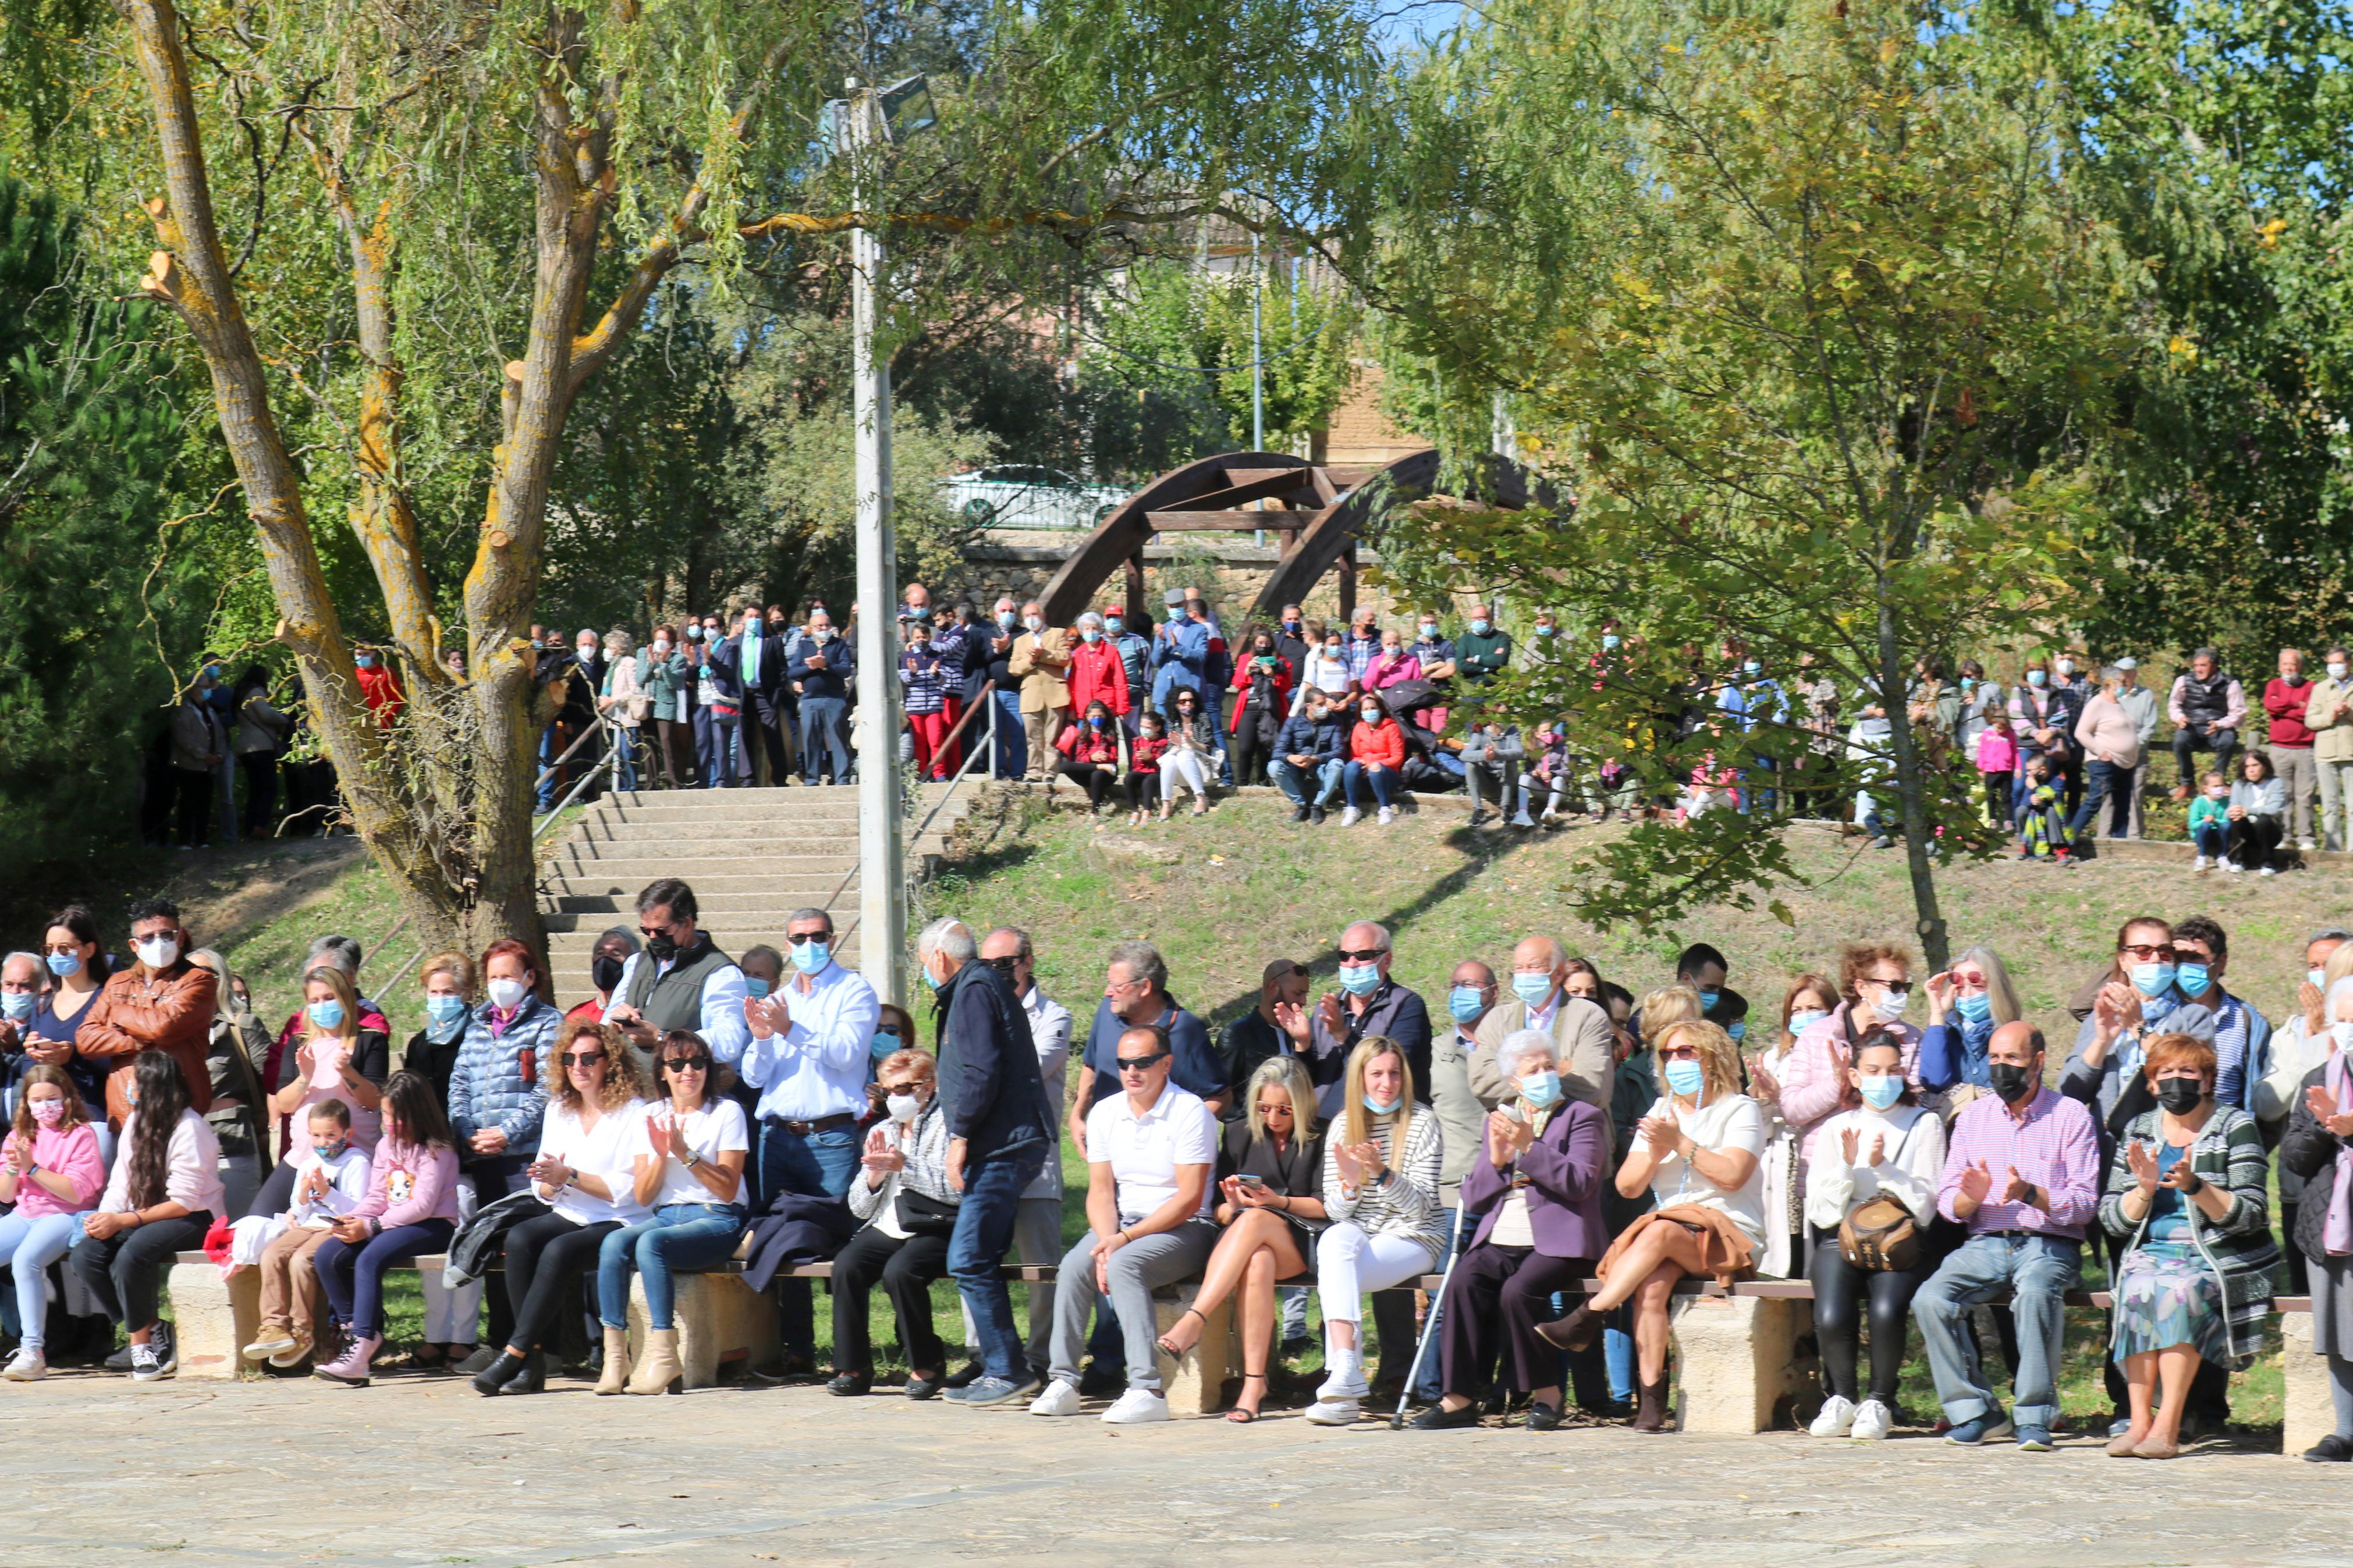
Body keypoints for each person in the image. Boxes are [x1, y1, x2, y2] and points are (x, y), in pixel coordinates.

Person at [1540, 1018, 1762, 1432]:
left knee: (1656, 1231)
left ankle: (1589, 1314)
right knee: (1652, 1284)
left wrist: (1681, 1145)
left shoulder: (1739, 1108)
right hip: (1672, 1234)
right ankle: (1652, 1402)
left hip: (1730, 1233)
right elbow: (1626, 1186)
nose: (1675, 1060)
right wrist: (1653, 1150)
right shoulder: (1661, 1111)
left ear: (1711, 1056)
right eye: (1667, 1053)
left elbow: (1733, 1175)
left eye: (1685, 1052)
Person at [1912, 1021, 2102, 1449]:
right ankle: (1976, 1410)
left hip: (2048, 1242)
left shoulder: (2070, 1115)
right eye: (1995, 1059)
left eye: (2012, 1059)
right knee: (1930, 1298)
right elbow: (1948, 1203)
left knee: (2034, 1292)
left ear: (2037, 1062)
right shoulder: (1973, 1117)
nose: (2002, 1068)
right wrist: (1969, 1197)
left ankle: (2034, 1415)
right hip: (1986, 1240)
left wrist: (2031, 1194)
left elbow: (2084, 1204)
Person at [1024, 1022, 1218, 1425]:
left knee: (1124, 1264)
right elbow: (1099, 1191)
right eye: (1124, 1063)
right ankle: (1063, 1380)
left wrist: (1122, 1241)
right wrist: (1107, 1239)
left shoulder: (1189, 1111)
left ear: (1166, 1063)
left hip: (1184, 1228)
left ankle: (1146, 1388)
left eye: (1143, 1062)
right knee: (1075, 1265)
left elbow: (1187, 1198)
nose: (1132, 1071)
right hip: (1123, 1224)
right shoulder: (1105, 1112)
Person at [1414, 1031, 1609, 1431]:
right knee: (1463, 1281)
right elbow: (1474, 1196)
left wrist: (1530, 1148)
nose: (1543, 1074)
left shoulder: (1582, 1116)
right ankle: (1459, 1397)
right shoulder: (1499, 1118)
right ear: (1515, 1082)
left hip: (1561, 1239)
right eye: (1532, 1069)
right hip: (1502, 1234)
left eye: (1548, 1066)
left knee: (1518, 1292)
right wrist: (1498, 1163)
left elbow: (1580, 1182)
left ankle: (1547, 1394)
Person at [2096, 1033, 2278, 1459]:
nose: (2175, 1080)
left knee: (2180, 1291)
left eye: (2187, 1072)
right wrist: (2141, 1191)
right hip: (2153, 1250)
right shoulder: (2139, 1130)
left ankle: (2168, 1425)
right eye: (2165, 1073)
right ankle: (2138, 1421)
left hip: (2219, 1253)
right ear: (2152, 1083)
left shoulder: (2235, 1126)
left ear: (2207, 1080)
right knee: (2138, 1287)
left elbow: (2251, 1214)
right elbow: (2111, 1217)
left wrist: (2196, 1186)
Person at [920, 919, 1056, 1409]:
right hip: (1004, 1143)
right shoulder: (980, 986)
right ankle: (1006, 1364)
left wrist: (959, 1138)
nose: (926, 976)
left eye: (924, 966)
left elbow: (981, 1070)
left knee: (968, 1257)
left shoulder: (973, 990)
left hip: (1001, 1146)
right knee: (981, 1255)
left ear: (938, 958)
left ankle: (1006, 1368)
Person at [472, 1023, 650, 1395]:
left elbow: (630, 1189)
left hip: (619, 1218)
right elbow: (542, 1181)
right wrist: (552, 1182)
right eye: (570, 1059)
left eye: (588, 1058)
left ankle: (515, 1352)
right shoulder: (559, 1108)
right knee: (520, 1238)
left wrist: (570, 1176)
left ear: (610, 1063)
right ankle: (534, 1358)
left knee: (558, 1250)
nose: (578, 1066)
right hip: (571, 1212)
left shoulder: (634, 1112)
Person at [1150, 1057, 1328, 1423]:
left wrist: (1276, 1202)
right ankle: (1254, 1382)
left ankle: (1195, 1318)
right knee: (1258, 1258)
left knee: (1259, 1218)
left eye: (1284, 1109)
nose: (1273, 1118)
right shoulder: (1238, 1133)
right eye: (1264, 1108)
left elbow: (1326, 1205)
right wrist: (1231, 1206)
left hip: (1301, 1239)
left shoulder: (1321, 1135)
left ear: (1302, 1103)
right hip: (1246, 1243)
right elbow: (1216, 1211)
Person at [1802, 1030, 1947, 1441]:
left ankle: (1879, 1400)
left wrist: (1884, 1167)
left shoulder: (1925, 1123)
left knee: (1885, 1310)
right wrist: (1848, 1168)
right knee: (1830, 1315)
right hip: (1844, 1235)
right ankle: (1842, 1397)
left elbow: (1925, 1205)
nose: (1883, 1078)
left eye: (1892, 1069)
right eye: (1872, 1070)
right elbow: (1822, 1211)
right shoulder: (1837, 1128)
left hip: (1900, 1238)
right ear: (1854, 1075)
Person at [595, 1030, 751, 1395]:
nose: (688, 1072)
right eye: (677, 1064)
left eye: (697, 1063)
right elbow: (644, 1194)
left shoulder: (726, 1112)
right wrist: (663, 1154)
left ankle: (665, 1355)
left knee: (651, 1243)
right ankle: (616, 1358)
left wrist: (685, 1153)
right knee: (614, 1243)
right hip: (666, 1215)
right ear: (662, 1072)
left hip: (717, 1217)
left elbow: (728, 1188)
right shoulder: (650, 1115)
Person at [1301, 1036, 1446, 1427]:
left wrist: (1381, 1174)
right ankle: (1346, 1374)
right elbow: (1334, 1210)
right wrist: (1350, 1184)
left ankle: (1342, 1380)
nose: (1387, 1082)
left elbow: (1421, 1207)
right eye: (1377, 1073)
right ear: (1359, 1078)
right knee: (1332, 1241)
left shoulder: (1422, 1121)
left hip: (1414, 1236)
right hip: (1360, 1235)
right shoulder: (1344, 1125)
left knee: (1337, 1270)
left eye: (1394, 1073)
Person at [446, 937, 562, 1371]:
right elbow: (459, 1083)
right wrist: (467, 1131)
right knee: (489, 1246)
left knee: (526, 1249)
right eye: (493, 977)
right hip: (483, 1156)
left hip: (525, 1157)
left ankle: (540, 1347)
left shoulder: (548, 1023)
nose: (501, 985)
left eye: (509, 975)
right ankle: (498, 1342)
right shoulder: (476, 1026)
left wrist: (507, 1132)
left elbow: (548, 1088)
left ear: (529, 977)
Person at [70, 1051, 222, 1380]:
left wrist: (123, 1221)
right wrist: (105, 1219)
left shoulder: (190, 1128)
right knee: (86, 1254)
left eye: (135, 1084)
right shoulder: (136, 1124)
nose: (130, 1089)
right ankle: (152, 1327)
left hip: (194, 1217)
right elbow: (121, 1183)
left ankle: (142, 1347)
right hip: (142, 1215)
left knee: (131, 1255)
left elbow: (184, 1202)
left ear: (155, 1089)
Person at [309, 1071, 464, 1385]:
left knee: (369, 1258)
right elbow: (377, 1196)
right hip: (390, 1223)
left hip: (433, 1225)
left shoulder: (437, 1149)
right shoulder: (385, 1146)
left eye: (396, 1116)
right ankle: (356, 1333)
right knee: (328, 1254)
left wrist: (371, 1227)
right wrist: (353, 1219)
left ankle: (363, 1344)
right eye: (385, 1114)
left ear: (416, 1112)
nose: (389, 1123)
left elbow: (422, 1205)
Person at [829, 1047, 956, 1398]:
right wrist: (873, 1176)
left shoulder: (951, 1124)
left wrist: (905, 1166)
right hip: (889, 1225)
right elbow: (858, 1205)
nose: (893, 1098)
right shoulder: (883, 1128)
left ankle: (927, 1364)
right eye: (887, 1091)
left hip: (935, 1224)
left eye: (902, 1089)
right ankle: (853, 1366)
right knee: (847, 1266)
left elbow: (957, 1188)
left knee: (900, 1271)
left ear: (928, 1087)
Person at [239, 1099, 374, 1371]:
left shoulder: (356, 1161)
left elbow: (358, 1208)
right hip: (308, 1224)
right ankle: (274, 1326)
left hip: (336, 1226)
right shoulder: (308, 1163)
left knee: (301, 1260)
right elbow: (299, 1211)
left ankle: (304, 1331)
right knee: (273, 1254)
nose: (323, 1142)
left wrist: (326, 1192)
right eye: (316, 1136)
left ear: (346, 1134)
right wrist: (302, 1196)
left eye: (331, 1135)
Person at [1777, 943, 1920, 1190]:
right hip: (1827, 1176)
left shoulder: (1912, 1040)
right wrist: (1837, 1083)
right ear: (1862, 986)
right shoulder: (1815, 1036)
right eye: (1894, 987)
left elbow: (1916, 1105)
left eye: (1906, 987)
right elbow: (1792, 1111)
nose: (1901, 995)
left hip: (1890, 1174)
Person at [2280, 983, 2353, 1461]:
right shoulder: (2318, 1077)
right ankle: (2346, 1429)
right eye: (2345, 1019)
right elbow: (2293, 1159)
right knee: (2337, 1330)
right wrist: (2326, 1125)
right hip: (2330, 1222)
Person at [252, 963, 387, 1218]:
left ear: (345, 998)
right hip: (304, 1156)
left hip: (353, 1157)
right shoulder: (299, 1044)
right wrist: (306, 1076)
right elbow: (285, 1104)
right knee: (259, 1218)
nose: (322, 1005)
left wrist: (347, 1072)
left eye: (329, 998)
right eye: (314, 1000)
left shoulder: (370, 1039)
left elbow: (373, 1100)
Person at [0, 1065, 106, 1380]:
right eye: (37, 1100)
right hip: (25, 1213)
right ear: (26, 1103)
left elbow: (75, 1193)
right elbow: (6, 1196)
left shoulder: (81, 1135)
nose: (45, 1106)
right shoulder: (19, 1136)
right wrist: (12, 1169)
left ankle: (33, 1351)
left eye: (52, 1098)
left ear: (67, 1098)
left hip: (65, 1215)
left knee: (25, 1261)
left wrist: (32, 1169)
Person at [75, 897, 216, 1128]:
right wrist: (140, 1040)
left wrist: (119, 1013)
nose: (158, 943)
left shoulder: (199, 980)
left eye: (166, 935)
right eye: (148, 938)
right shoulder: (117, 983)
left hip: (180, 1110)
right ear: (134, 945)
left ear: (180, 937)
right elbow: (85, 1040)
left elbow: (162, 1027)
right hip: (125, 1116)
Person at [1070, 941, 1226, 1142]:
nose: (1107, 992)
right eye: (1109, 983)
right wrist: (1077, 1116)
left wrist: (1178, 1139)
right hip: (1107, 1151)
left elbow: (1220, 1097)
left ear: (1145, 987)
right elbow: (1091, 1067)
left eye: (1117, 986)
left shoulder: (1186, 1029)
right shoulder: (1107, 1012)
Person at [1278, 921, 1432, 1117]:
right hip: (1322, 1130)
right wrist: (1302, 1045)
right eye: (1345, 956)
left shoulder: (1407, 1006)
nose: (1352, 964)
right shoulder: (1326, 1009)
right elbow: (1303, 1082)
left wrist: (1343, 1035)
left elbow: (1396, 1071)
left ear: (1386, 961)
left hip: (1380, 1128)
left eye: (1363, 956)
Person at [1748, 976, 1837, 1281]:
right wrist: (1762, 1101)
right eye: (1797, 1010)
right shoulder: (1776, 1059)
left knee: (1821, 1255)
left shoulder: (1840, 1058)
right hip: (1781, 1170)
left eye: (1814, 1008)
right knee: (1787, 1255)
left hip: (1824, 1162)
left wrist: (1783, 1100)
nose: (1805, 1016)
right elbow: (1761, 1132)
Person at [1469, 936, 1617, 1113]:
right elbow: (1482, 1083)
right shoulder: (1497, 1020)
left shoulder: (1589, 1016)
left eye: (1533, 966)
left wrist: (1518, 1077)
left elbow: (1592, 1086)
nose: (1524, 974)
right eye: (1519, 968)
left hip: (1575, 1133)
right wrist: (1556, 1074)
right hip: (1510, 1134)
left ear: (1559, 973)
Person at [24, 906, 115, 1137]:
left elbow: (121, 1060)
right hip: (49, 1127)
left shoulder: (110, 998)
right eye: (49, 949)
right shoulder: (43, 1004)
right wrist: (33, 1054)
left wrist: (73, 1055)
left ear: (89, 949)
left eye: (64, 949)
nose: (55, 955)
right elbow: (29, 1074)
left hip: (95, 1121)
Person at [2167, 916, 2271, 1115]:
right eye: (2179, 958)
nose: (2184, 966)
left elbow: (2262, 1099)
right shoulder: (2159, 1012)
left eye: (2195, 957)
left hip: (2224, 1138)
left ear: (2221, 962)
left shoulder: (2247, 1023)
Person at [1918, 945, 2026, 1101]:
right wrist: (1937, 1016)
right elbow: (1934, 1082)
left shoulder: (2017, 1034)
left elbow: (2018, 1093)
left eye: (1978, 985)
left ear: (1997, 988)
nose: (1967, 994)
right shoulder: (1945, 1032)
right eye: (1959, 987)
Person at [2067, 667, 2145, 855]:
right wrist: (2101, 751)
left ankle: (2120, 847)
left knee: (2122, 806)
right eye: (2122, 681)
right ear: (2110, 682)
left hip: (2125, 765)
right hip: (2104, 762)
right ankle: (2066, 842)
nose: (2126, 685)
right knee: (2094, 801)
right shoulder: (2097, 703)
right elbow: (2081, 732)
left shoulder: (2120, 704)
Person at [719, 604, 793, 788]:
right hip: (743, 695)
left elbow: (782, 671)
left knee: (773, 735)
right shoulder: (734, 642)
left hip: (765, 695)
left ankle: (779, 778)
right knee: (744, 736)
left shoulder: (773, 641)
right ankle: (748, 779)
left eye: (757, 616)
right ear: (743, 620)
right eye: (750, 616)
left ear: (763, 620)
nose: (753, 619)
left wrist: (777, 694)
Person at [2168, 646, 2245, 800]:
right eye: (2196, 666)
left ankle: (2219, 782)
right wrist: (2179, 718)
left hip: (2219, 727)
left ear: (2215, 666)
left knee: (2228, 740)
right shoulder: (2184, 681)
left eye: (2203, 666)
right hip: (2193, 727)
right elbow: (2173, 704)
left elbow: (2239, 713)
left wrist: (2220, 724)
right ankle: (2187, 782)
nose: (2199, 669)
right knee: (2180, 741)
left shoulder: (2230, 683)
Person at [1009, 602, 1073, 783]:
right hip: (1031, 694)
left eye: (1034, 614)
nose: (1031, 619)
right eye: (1027, 616)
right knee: (1033, 737)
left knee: (1051, 737)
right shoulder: (1020, 641)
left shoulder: (1058, 633)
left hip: (1055, 692)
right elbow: (1013, 668)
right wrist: (1030, 661)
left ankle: (1051, 772)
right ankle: (1034, 772)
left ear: (1043, 616)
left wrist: (1043, 655)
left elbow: (1065, 657)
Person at [2263, 647, 2319, 851]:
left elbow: (2310, 712)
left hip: (2306, 748)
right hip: (2279, 748)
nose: (2288, 668)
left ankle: (2306, 837)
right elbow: (2270, 706)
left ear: (2300, 667)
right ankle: (2283, 836)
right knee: (2281, 795)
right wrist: (2295, 703)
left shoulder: (2311, 686)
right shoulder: (2273, 685)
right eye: (2285, 664)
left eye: (2292, 664)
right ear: (2279, 666)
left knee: (2305, 795)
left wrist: (2285, 708)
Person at [1270, 688, 1346, 823]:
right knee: (1273, 767)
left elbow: (1339, 751)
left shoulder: (1334, 722)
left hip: (1321, 771)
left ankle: (1318, 805)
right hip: (1298, 771)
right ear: (1308, 706)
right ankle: (1302, 806)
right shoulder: (1293, 722)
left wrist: (1315, 759)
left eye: (1325, 704)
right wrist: (1291, 757)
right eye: (1320, 705)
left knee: (1337, 765)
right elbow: (1278, 751)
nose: (1325, 708)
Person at [233, 670, 292, 839]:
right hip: (261, 747)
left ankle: (250, 828)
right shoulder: (255, 692)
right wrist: (284, 719)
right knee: (269, 787)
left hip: (245, 748)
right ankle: (261, 826)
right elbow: (266, 714)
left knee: (255, 790)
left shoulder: (239, 695)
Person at [1228, 627, 1290, 786]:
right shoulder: (1244, 659)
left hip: (1270, 708)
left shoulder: (1281, 661)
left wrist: (1272, 675)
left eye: (1267, 643)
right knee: (1245, 747)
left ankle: (1264, 782)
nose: (1263, 646)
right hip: (1249, 706)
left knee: (1267, 747)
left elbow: (1287, 686)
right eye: (1260, 643)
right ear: (1254, 645)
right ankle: (1242, 783)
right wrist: (1247, 671)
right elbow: (1237, 683)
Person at [899, 618, 959, 781]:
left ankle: (939, 773)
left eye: (924, 637)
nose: (921, 641)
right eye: (918, 637)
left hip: (933, 706)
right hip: (915, 707)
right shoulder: (908, 656)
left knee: (935, 740)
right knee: (919, 742)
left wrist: (936, 674)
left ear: (929, 638)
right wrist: (912, 672)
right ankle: (922, 773)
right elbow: (904, 679)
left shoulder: (937, 656)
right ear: (913, 639)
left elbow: (945, 679)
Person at [2309, 644, 2353, 852]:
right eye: (2331, 663)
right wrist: (2331, 716)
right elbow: (2310, 720)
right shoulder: (2320, 689)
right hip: (2325, 753)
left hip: (2351, 751)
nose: (2334, 667)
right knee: (2330, 805)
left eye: (2339, 663)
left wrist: (2348, 712)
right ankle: (2333, 850)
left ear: (2349, 663)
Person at [1341, 692, 1407, 826]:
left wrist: (1374, 764)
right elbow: (1355, 755)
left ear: (1380, 709)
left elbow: (1398, 758)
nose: (1369, 712)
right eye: (1366, 709)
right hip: (1365, 773)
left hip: (1387, 774)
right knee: (1351, 766)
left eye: (1373, 708)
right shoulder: (1358, 728)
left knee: (1376, 768)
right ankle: (1352, 808)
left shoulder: (1392, 728)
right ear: (1361, 712)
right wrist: (1363, 764)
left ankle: (1385, 809)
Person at [1053, 700, 1127, 815]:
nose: (1097, 719)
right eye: (1094, 716)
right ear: (1087, 717)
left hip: (1106, 775)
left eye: (1100, 716)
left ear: (1105, 716)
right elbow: (1080, 759)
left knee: (1098, 774)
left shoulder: (1110, 734)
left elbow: (1115, 757)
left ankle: (1095, 812)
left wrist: (1106, 757)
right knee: (1064, 765)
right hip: (1087, 773)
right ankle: (1099, 767)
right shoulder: (1083, 734)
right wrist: (1092, 758)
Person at [1159, 686, 1221, 816]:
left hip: (1202, 768)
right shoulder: (1173, 722)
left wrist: (1190, 741)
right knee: (1169, 759)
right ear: (1176, 705)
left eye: (1191, 701)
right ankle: (1166, 804)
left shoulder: (1202, 719)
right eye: (1183, 701)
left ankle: (1201, 798)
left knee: (1184, 755)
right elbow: (1170, 749)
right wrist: (1179, 744)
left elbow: (1207, 749)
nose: (1188, 704)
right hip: (1181, 772)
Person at [2223, 746, 2286, 874]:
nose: (2251, 770)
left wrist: (2249, 810)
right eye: (2247, 767)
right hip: (2246, 833)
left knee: (2264, 820)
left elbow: (2274, 809)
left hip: (2269, 833)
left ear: (2264, 766)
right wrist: (2233, 812)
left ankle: (2268, 863)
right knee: (2237, 819)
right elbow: (2230, 808)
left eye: (2255, 765)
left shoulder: (2276, 783)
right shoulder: (2239, 784)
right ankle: (2238, 861)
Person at [597, 628, 644, 791]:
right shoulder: (611, 666)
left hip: (626, 717)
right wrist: (602, 700)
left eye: (610, 647)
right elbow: (607, 689)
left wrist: (615, 701)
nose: (607, 651)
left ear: (617, 648)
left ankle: (631, 787)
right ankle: (621, 787)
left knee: (628, 753)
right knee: (616, 755)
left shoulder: (630, 663)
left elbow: (635, 690)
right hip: (612, 719)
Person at [565, 927, 641, 1029]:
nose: (605, 959)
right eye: (600, 953)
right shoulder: (577, 1016)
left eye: (616, 954)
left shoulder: (637, 1013)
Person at [1066, 610, 1131, 726]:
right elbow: (1072, 684)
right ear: (1082, 631)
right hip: (1083, 709)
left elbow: (1120, 682)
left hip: (1105, 709)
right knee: (1084, 741)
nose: (1090, 632)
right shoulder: (1078, 654)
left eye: (1094, 628)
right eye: (1087, 629)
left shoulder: (1111, 652)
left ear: (1100, 629)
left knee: (1107, 741)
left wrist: (1122, 707)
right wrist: (1071, 708)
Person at [1123, 709, 1167, 825]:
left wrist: (1150, 758)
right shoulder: (1138, 741)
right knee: (1129, 778)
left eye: (1148, 728)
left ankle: (1147, 812)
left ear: (1157, 728)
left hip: (1155, 773)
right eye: (1142, 726)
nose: (1144, 730)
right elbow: (1134, 763)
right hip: (1140, 770)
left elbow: (1162, 763)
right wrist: (1140, 758)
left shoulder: (1162, 742)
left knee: (1149, 781)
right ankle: (1135, 811)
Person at [1455, 605, 1511, 687]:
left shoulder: (1502, 637)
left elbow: (1500, 661)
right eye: (1475, 618)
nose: (1478, 621)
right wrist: (1486, 669)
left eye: (1482, 618)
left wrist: (1476, 660)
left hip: (1497, 687)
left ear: (1491, 619)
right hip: (1472, 687)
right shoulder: (1466, 639)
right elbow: (1460, 665)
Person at [1296, 628, 1350, 712]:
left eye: (1338, 644)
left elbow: (1354, 690)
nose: (1336, 647)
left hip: (1343, 706)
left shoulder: (1347, 664)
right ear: (1324, 645)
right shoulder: (1316, 665)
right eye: (1332, 645)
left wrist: (1347, 701)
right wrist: (1326, 700)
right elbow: (1309, 690)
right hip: (1322, 706)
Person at [2187, 771, 2232, 869]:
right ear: (2206, 789)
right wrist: (2204, 821)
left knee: (2226, 826)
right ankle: (2201, 857)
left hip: (2219, 834)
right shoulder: (2199, 802)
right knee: (2205, 826)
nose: (2219, 789)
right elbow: (2192, 824)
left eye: (2221, 786)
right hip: (2202, 834)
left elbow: (2226, 821)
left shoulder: (2226, 802)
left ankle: (2222, 856)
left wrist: (2215, 821)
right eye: (2215, 786)